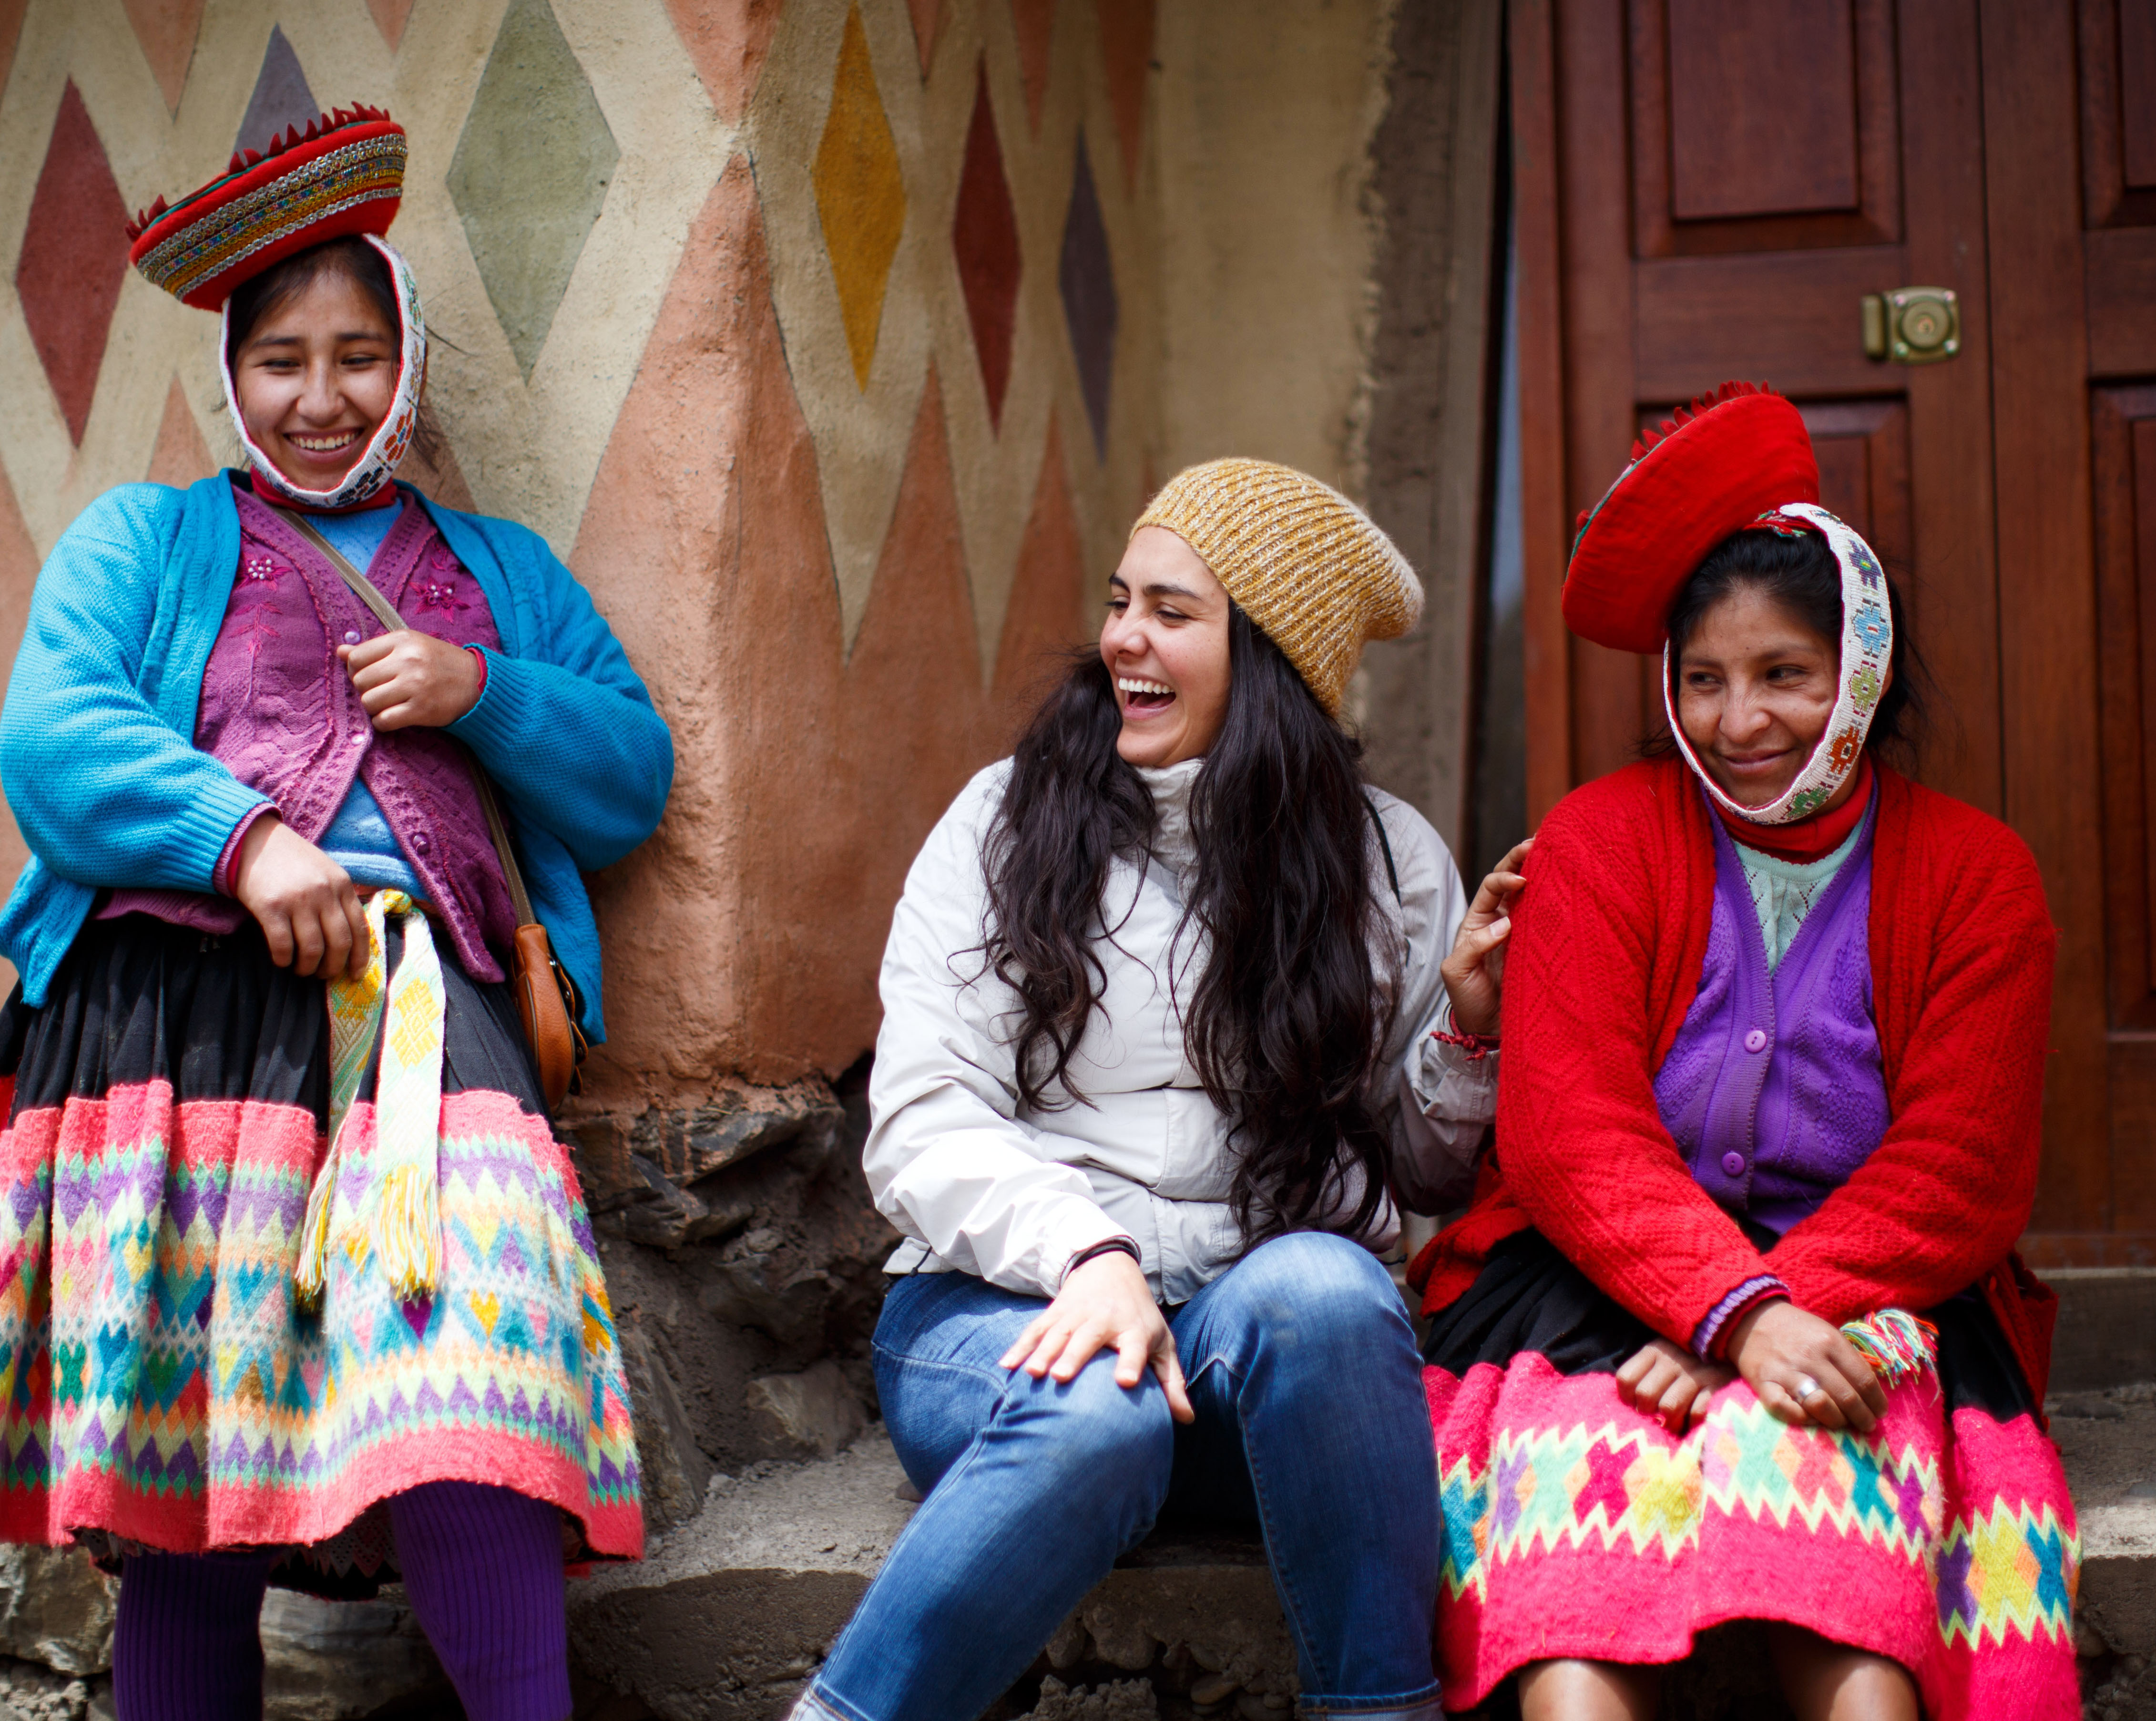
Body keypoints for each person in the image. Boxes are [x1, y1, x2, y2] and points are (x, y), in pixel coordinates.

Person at [0, 105, 672, 1721]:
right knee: (196, 1486)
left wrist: (486, 693)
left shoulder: (499, 569)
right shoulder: (149, 541)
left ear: (410, 367)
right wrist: (242, 843)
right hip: (172, 1024)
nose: (322, 403)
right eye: (282, 364)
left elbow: (630, 778)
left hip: (424, 1031)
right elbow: (51, 735)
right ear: (232, 380)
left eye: (358, 357)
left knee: (480, 1425)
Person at [800, 460, 1527, 1721]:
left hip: (1254, 1375)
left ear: (1275, 662)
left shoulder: (1390, 861)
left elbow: (1425, 1175)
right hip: (1004, 1327)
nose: (1123, 637)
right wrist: (1087, 1250)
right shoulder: (1006, 822)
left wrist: (1467, 1031)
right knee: (1097, 1411)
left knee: (1334, 1289)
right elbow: (920, 1113)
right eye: (1123, 599)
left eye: (1174, 612)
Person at [1410, 385, 2078, 1720]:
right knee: (1577, 1595)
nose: (1740, 721)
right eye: (1703, 681)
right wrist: (1732, 1310)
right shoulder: (1600, 840)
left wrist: (1772, 1315)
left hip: (1871, 1293)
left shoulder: (1979, 880)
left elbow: (1964, 1165)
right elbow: (1567, 1134)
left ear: (1862, 674)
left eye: (1785, 675)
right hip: (1596, 1283)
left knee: (1853, 1588)